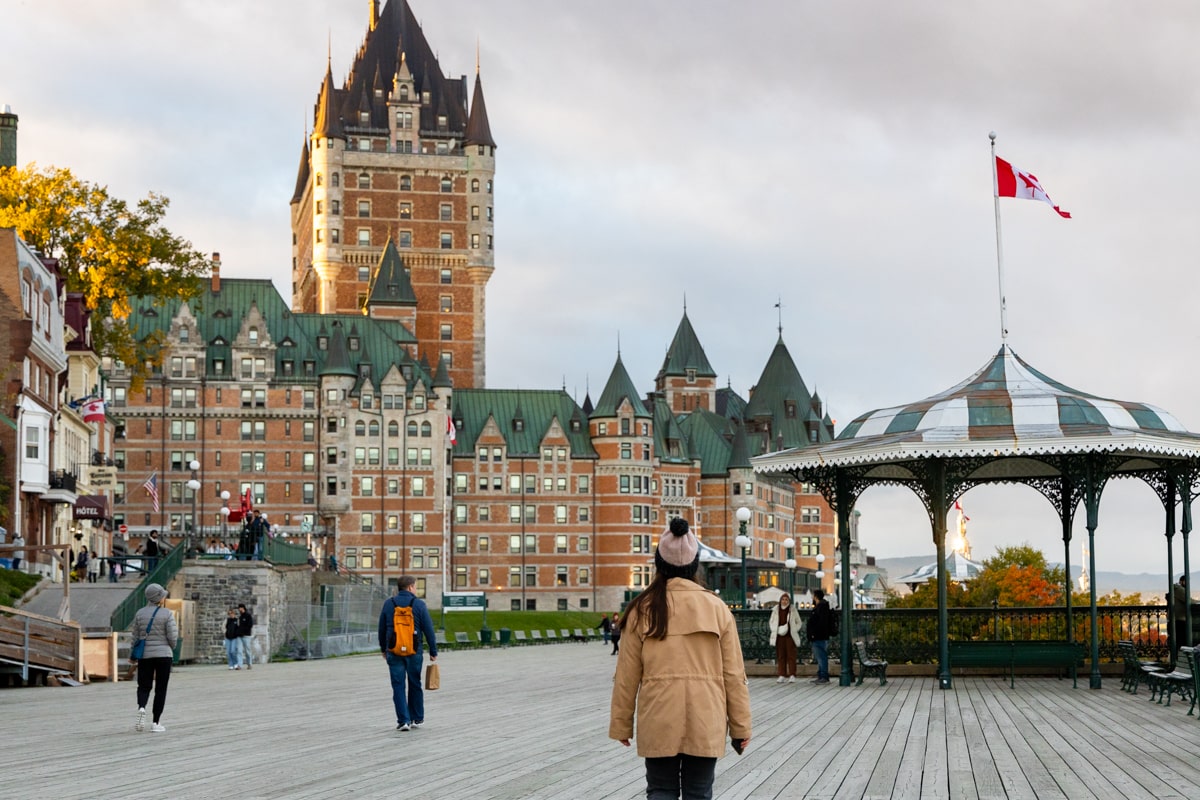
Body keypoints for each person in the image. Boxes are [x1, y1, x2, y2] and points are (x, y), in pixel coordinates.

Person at [610, 517, 752, 800]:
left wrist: (622, 723)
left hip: (658, 713)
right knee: (699, 793)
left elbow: (626, 675)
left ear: (659, 564)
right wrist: (740, 727)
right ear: (693, 564)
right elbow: (734, 676)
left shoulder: (640, 609)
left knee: (660, 790)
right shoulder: (717, 607)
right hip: (706, 714)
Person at [378, 575, 438, 732]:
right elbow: (428, 629)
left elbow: (382, 628)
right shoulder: (418, 604)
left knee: (398, 685)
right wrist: (433, 650)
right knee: (414, 683)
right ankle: (416, 718)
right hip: (414, 649)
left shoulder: (389, 604)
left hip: (394, 649)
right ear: (411, 587)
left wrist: (383, 649)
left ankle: (403, 720)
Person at [131, 583, 178, 733]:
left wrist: (133, 654)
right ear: (159, 598)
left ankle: (142, 707)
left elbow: (135, 636)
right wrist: (172, 646)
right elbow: (172, 636)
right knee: (161, 688)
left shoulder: (139, 613)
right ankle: (156, 722)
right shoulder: (167, 614)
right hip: (164, 654)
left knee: (144, 685)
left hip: (145, 655)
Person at [768, 592, 802, 683]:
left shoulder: (793, 610)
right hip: (779, 636)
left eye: (786, 599)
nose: (784, 601)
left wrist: (794, 629)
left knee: (791, 656)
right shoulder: (775, 610)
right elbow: (771, 622)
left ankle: (792, 674)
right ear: (780, 600)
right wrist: (774, 630)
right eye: (783, 599)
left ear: (789, 601)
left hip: (790, 636)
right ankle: (781, 674)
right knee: (781, 656)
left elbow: (799, 622)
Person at [807, 589, 834, 684]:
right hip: (820, 636)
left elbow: (820, 623)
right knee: (820, 656)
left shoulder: (821, 607)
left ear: (815, 596)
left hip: (819, 636)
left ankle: (824, 676)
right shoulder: (822, 606)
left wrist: (814, 633)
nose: (812, 597)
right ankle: (821, 675)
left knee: (821, 656)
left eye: (813, 595)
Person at [1172, 575, 1190, 664]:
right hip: (1179, 621)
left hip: (1175, 620)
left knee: (1178, 644)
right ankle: (1181, 664)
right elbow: (1188, 600)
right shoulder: (1179, 590)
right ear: (1182, 581)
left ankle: (1177, 663)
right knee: (1182, 644)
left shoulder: (1175, 589)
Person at [237, 603, 255, 669]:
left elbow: (250, 625)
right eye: (239, 608)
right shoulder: (240, 617)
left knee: (247, 650)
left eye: (240, 608)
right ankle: (240, 665)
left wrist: (244, 631)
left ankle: (249, 664)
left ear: (243, 608)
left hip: (246, 636)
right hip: (239, 636)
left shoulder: (248, 616)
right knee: (239, 651)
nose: (239, 609)